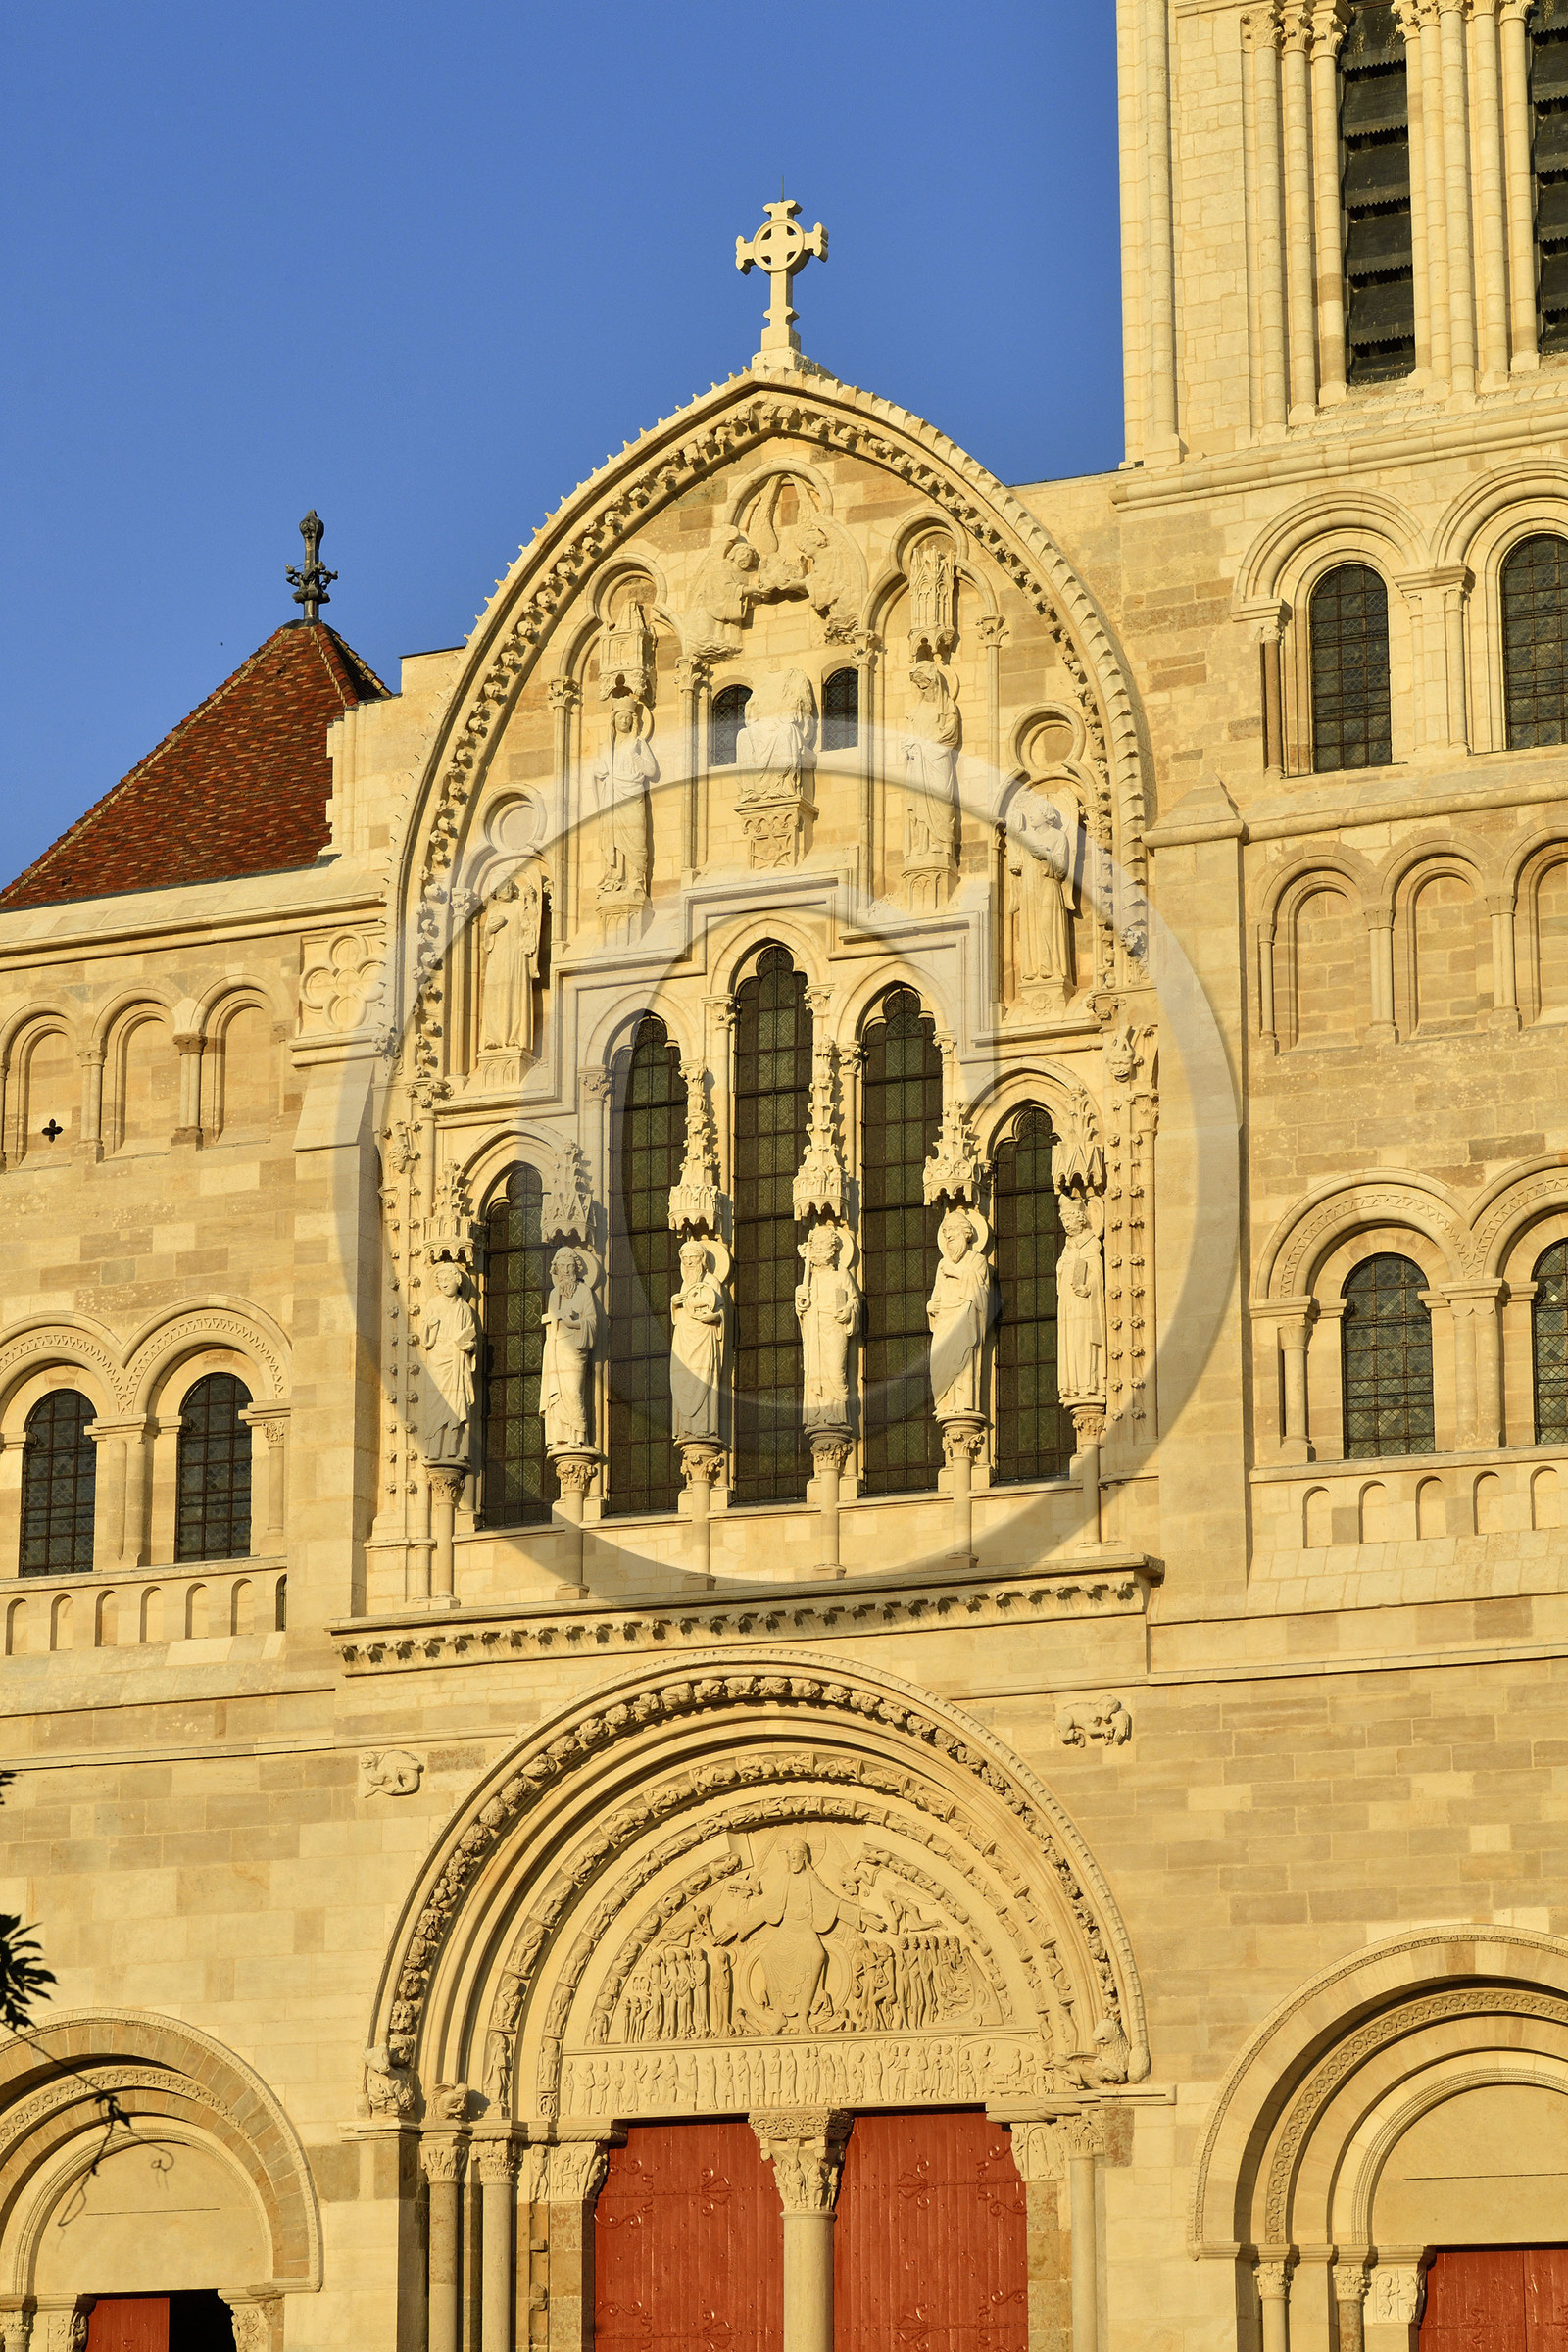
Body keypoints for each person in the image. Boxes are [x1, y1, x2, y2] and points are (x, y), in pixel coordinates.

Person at [927, 1208, 992, 1417]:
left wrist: (955, 1273)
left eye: (952, 1230)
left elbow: (981, 1292)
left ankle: (963, 1403)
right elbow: (936, 1294)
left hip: (965, 1320)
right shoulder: (942, 1264)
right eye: (945, 1232)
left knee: (964, 1359)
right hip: (944, 1321)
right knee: (941, 1363)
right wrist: (931, 1307)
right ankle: (946, 1402)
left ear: (966, 1233)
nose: (948, 1236)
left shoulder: (976, 1260)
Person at [795, 1223, 859, 1428]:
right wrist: (800, 1302)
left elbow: (854, 1301)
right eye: (817, 1245)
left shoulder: (841, 1274)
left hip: (835, 1328)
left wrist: (848, 1310)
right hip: (815, 1329)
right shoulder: (810, 1279)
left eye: (824, 1245)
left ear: (833, 1249)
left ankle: (835, 1414)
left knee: (835, 1371)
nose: (820, 1249)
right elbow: (803, 1309)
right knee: (815, 1373)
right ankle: (817, 1413)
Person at [478, 870, 544, 1054]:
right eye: (502, 887)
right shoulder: (494, 910)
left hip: (515, 956)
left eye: (508, 885)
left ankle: (516, 1037)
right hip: (497, 958)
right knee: (494, 996)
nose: (506, 889)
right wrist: (489, 931)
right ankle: (493, 1038)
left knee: (515, 994)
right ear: (495, 893)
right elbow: (487, 942)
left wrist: (530, 899)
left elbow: (532, 921)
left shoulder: (518, 905)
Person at [419, 1259, 478, 1463]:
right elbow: (425, 1339)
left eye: (448, 1279)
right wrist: (431, 1326)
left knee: (457, 1404)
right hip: (438, 1359)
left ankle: (454, 1447)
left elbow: (470, 1334)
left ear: (457, 1281)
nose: (444, 1284)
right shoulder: (433, 1305)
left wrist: (470, 1347)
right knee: (436, 1404)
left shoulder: (465, 1309)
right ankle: (435, 1448)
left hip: (457, 1360)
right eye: (440, 1280)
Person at [540, 1248, 597, 1449]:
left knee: (573, 1391)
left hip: (574, 1349)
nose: (565, 1271)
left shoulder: (584, 1292)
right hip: (556, 1347)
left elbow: (592, 1321)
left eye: (569, 1266)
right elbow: (551, 1320)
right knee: (557, 1394)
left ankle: (579, 1435)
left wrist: (575, 1323)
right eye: (561, 1266)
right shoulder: (554, 1294)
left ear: (576, 1268)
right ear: (555, 1269)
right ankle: (559, 1437)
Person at [670, 1238, 725, 1442]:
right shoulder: (685, 1284)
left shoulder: (712, 1282)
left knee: (704, 1378)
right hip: (683, 1339)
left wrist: (715, 1317)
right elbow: (679, 1316)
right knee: (683, 1378)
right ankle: (686, 1429)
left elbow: (721, 1311)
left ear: (702, 1259)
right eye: (685, 1258)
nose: (689, 1262)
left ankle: (703, 1428)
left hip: (704, 1337)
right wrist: (674, 1304)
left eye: (693, 1257)